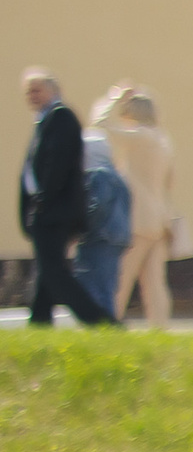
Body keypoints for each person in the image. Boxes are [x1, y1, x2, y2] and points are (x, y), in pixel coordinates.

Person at [19, 68, 114, 327]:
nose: (32, 96)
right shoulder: (46, 121)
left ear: (53, 90)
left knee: (55, 273)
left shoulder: (61, 118)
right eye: (28, 92)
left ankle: (99, 322)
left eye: (37, 90)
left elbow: (57, 167)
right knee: (47, 272)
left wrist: (43, 201)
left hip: (53, 210)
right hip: (47, 209)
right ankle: (39, 323)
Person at [98, 87, 178, 327]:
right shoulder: (164, 141)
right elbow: (170, 183)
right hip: (158, 219)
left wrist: (113, 98)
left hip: (136, 219)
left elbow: (100, 125)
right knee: (154, 282)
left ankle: (109, 323)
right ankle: (160, 328)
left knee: (121, 276)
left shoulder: (140, 136)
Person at [73, 127, 132, 324]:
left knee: (92, 286)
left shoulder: (98, 175)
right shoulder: (116, 175)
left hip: (99, 237)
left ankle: (102, 325)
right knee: (107, 285)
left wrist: (79, 227)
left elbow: (96, 206)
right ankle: (106, 326)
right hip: (116, 238)